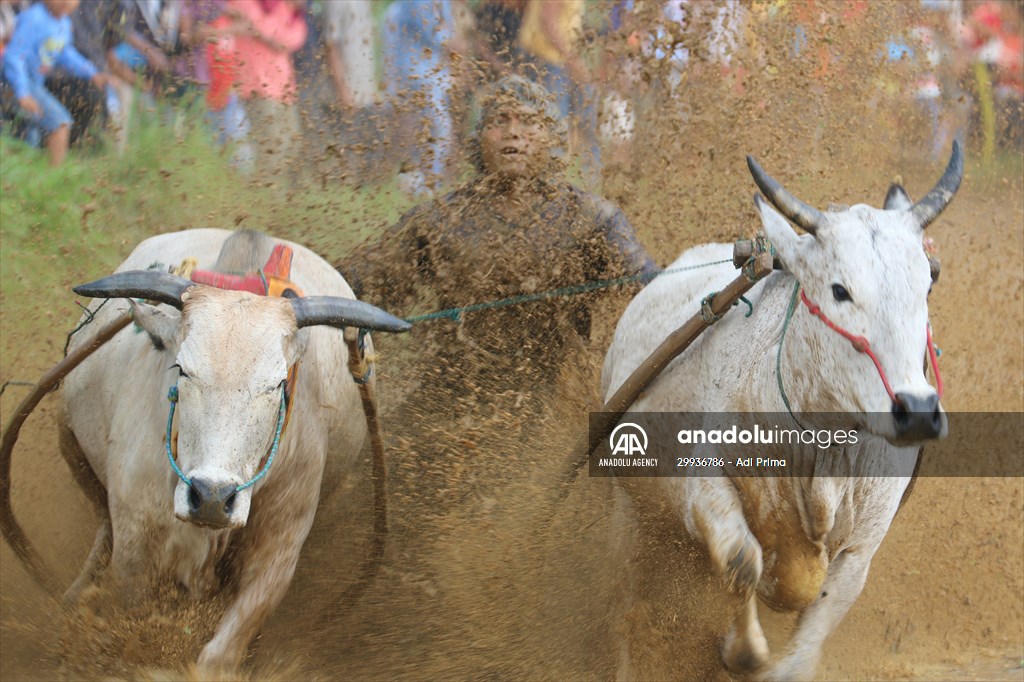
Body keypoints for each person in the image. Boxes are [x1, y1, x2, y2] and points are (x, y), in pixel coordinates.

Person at [338, 76, 658, 514]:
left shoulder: (593, 218)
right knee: (366, 485)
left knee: (595, 497)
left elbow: (650, 286)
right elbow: (359, 282)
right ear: (479, 138)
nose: (513, 133)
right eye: (499, 121)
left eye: (529, 123)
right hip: (448, 397)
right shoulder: (439, 221)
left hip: (550, 402)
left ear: (551, 139)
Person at [2, 0, 110, 165]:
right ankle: (55, 177)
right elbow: (14, 56)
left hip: (34, 84)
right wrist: (23, 92)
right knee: (61, 124)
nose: (66, 3)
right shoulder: (34, 18)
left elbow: (65, 53)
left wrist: (92, 73)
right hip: (17, 81)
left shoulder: (64, 23)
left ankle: (25, 180)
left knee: (29, 136)